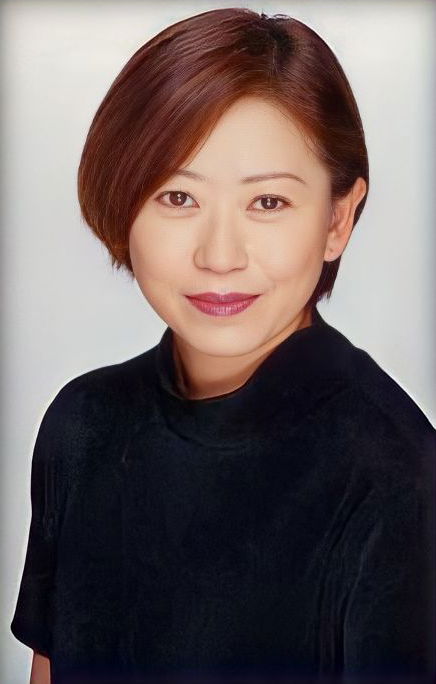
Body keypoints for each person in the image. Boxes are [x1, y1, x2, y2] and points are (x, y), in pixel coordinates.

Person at [10, 7, 435, 684]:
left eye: (268, 203)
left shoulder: (398, 477)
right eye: (178, 197)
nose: (219, 255)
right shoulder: (83, 425)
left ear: (338, 219)